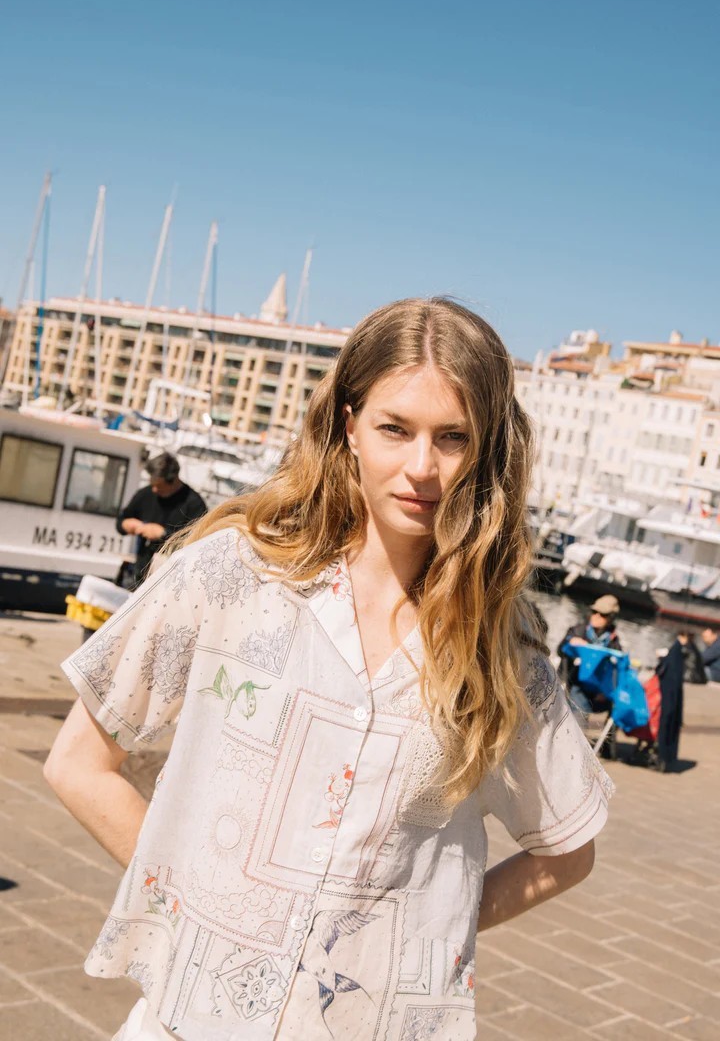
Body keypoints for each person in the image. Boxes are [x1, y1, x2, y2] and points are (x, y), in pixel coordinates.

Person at [45, 298, 613, 1041]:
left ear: (487, 449)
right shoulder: (231, 574)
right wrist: (193, 902)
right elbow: (79, 764)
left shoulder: (498, 648)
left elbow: (567, 850)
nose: (422, 467)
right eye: (394, 429)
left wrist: (419, 937)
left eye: (453, 437)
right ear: (349, 426)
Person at [116, 452, 207, 586]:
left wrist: (163, 534)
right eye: (152, 484)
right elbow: (121, 522)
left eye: (159, 485)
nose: (154, 489)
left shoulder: (194, 504)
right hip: (139, 574)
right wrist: (127, 524)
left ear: (174, 480)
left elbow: (198, 544)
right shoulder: (146, 494)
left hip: (171, 580)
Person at [557, 595, 623, 720]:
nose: (596, 616)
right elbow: (560, 650)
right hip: (574, 683)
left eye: (602, 614)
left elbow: (617, 668)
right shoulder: (578, 631)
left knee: (620, 706)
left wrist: (604, 692)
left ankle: (607, 734)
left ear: (611, 618)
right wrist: (570, 642)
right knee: (580, 706)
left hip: (600, 690)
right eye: (594, 611)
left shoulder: (614, 641)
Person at [654, 635, 686, 772]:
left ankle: (662, 755)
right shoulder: (678, 654)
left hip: (667, 695)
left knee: (665, 717)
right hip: (673, 695)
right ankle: (666, 755)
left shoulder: (674, 653)